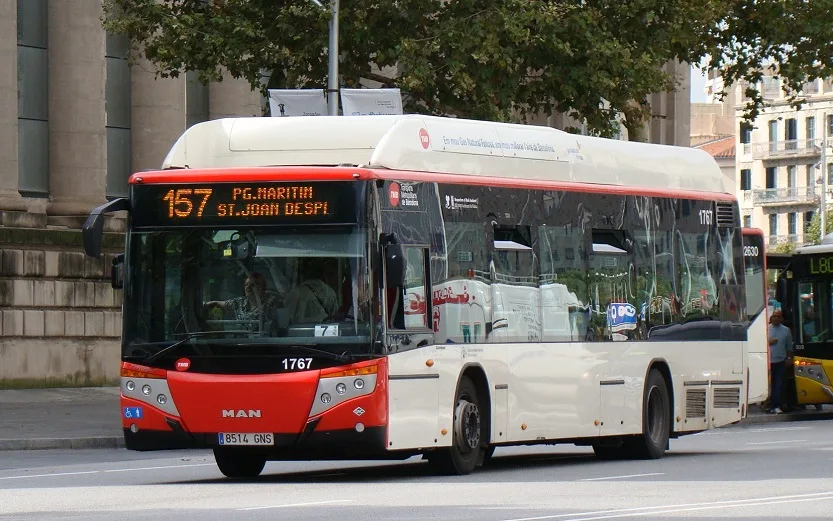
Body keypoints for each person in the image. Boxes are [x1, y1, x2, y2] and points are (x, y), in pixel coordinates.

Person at [205, 272, 280, 332]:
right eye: (246, 284)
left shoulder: (273, 302)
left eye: (253, 284)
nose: (248, 288)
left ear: (262, 288)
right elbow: (217, 304)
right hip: (242, 342)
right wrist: (203, 305)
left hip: (266, 343)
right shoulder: (239, 302)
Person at [285, 258, 339, 324]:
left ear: (302, 273)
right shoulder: (330, 292)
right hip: (324, 333)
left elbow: (286, 319)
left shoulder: (296, 293)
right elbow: (334, 318)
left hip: (299, 333)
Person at [767, 310, 793, 414]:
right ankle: (770, 405)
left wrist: (789, 359)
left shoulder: (786, 330)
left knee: (778, 384)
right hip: (767, 363)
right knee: (769, 386)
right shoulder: (766, 329)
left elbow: (789, 347)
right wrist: (769, 342)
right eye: (774, 316)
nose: (775, 318)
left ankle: (776, 406)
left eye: (778, 317)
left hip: (780, 362)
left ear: (781, 318)